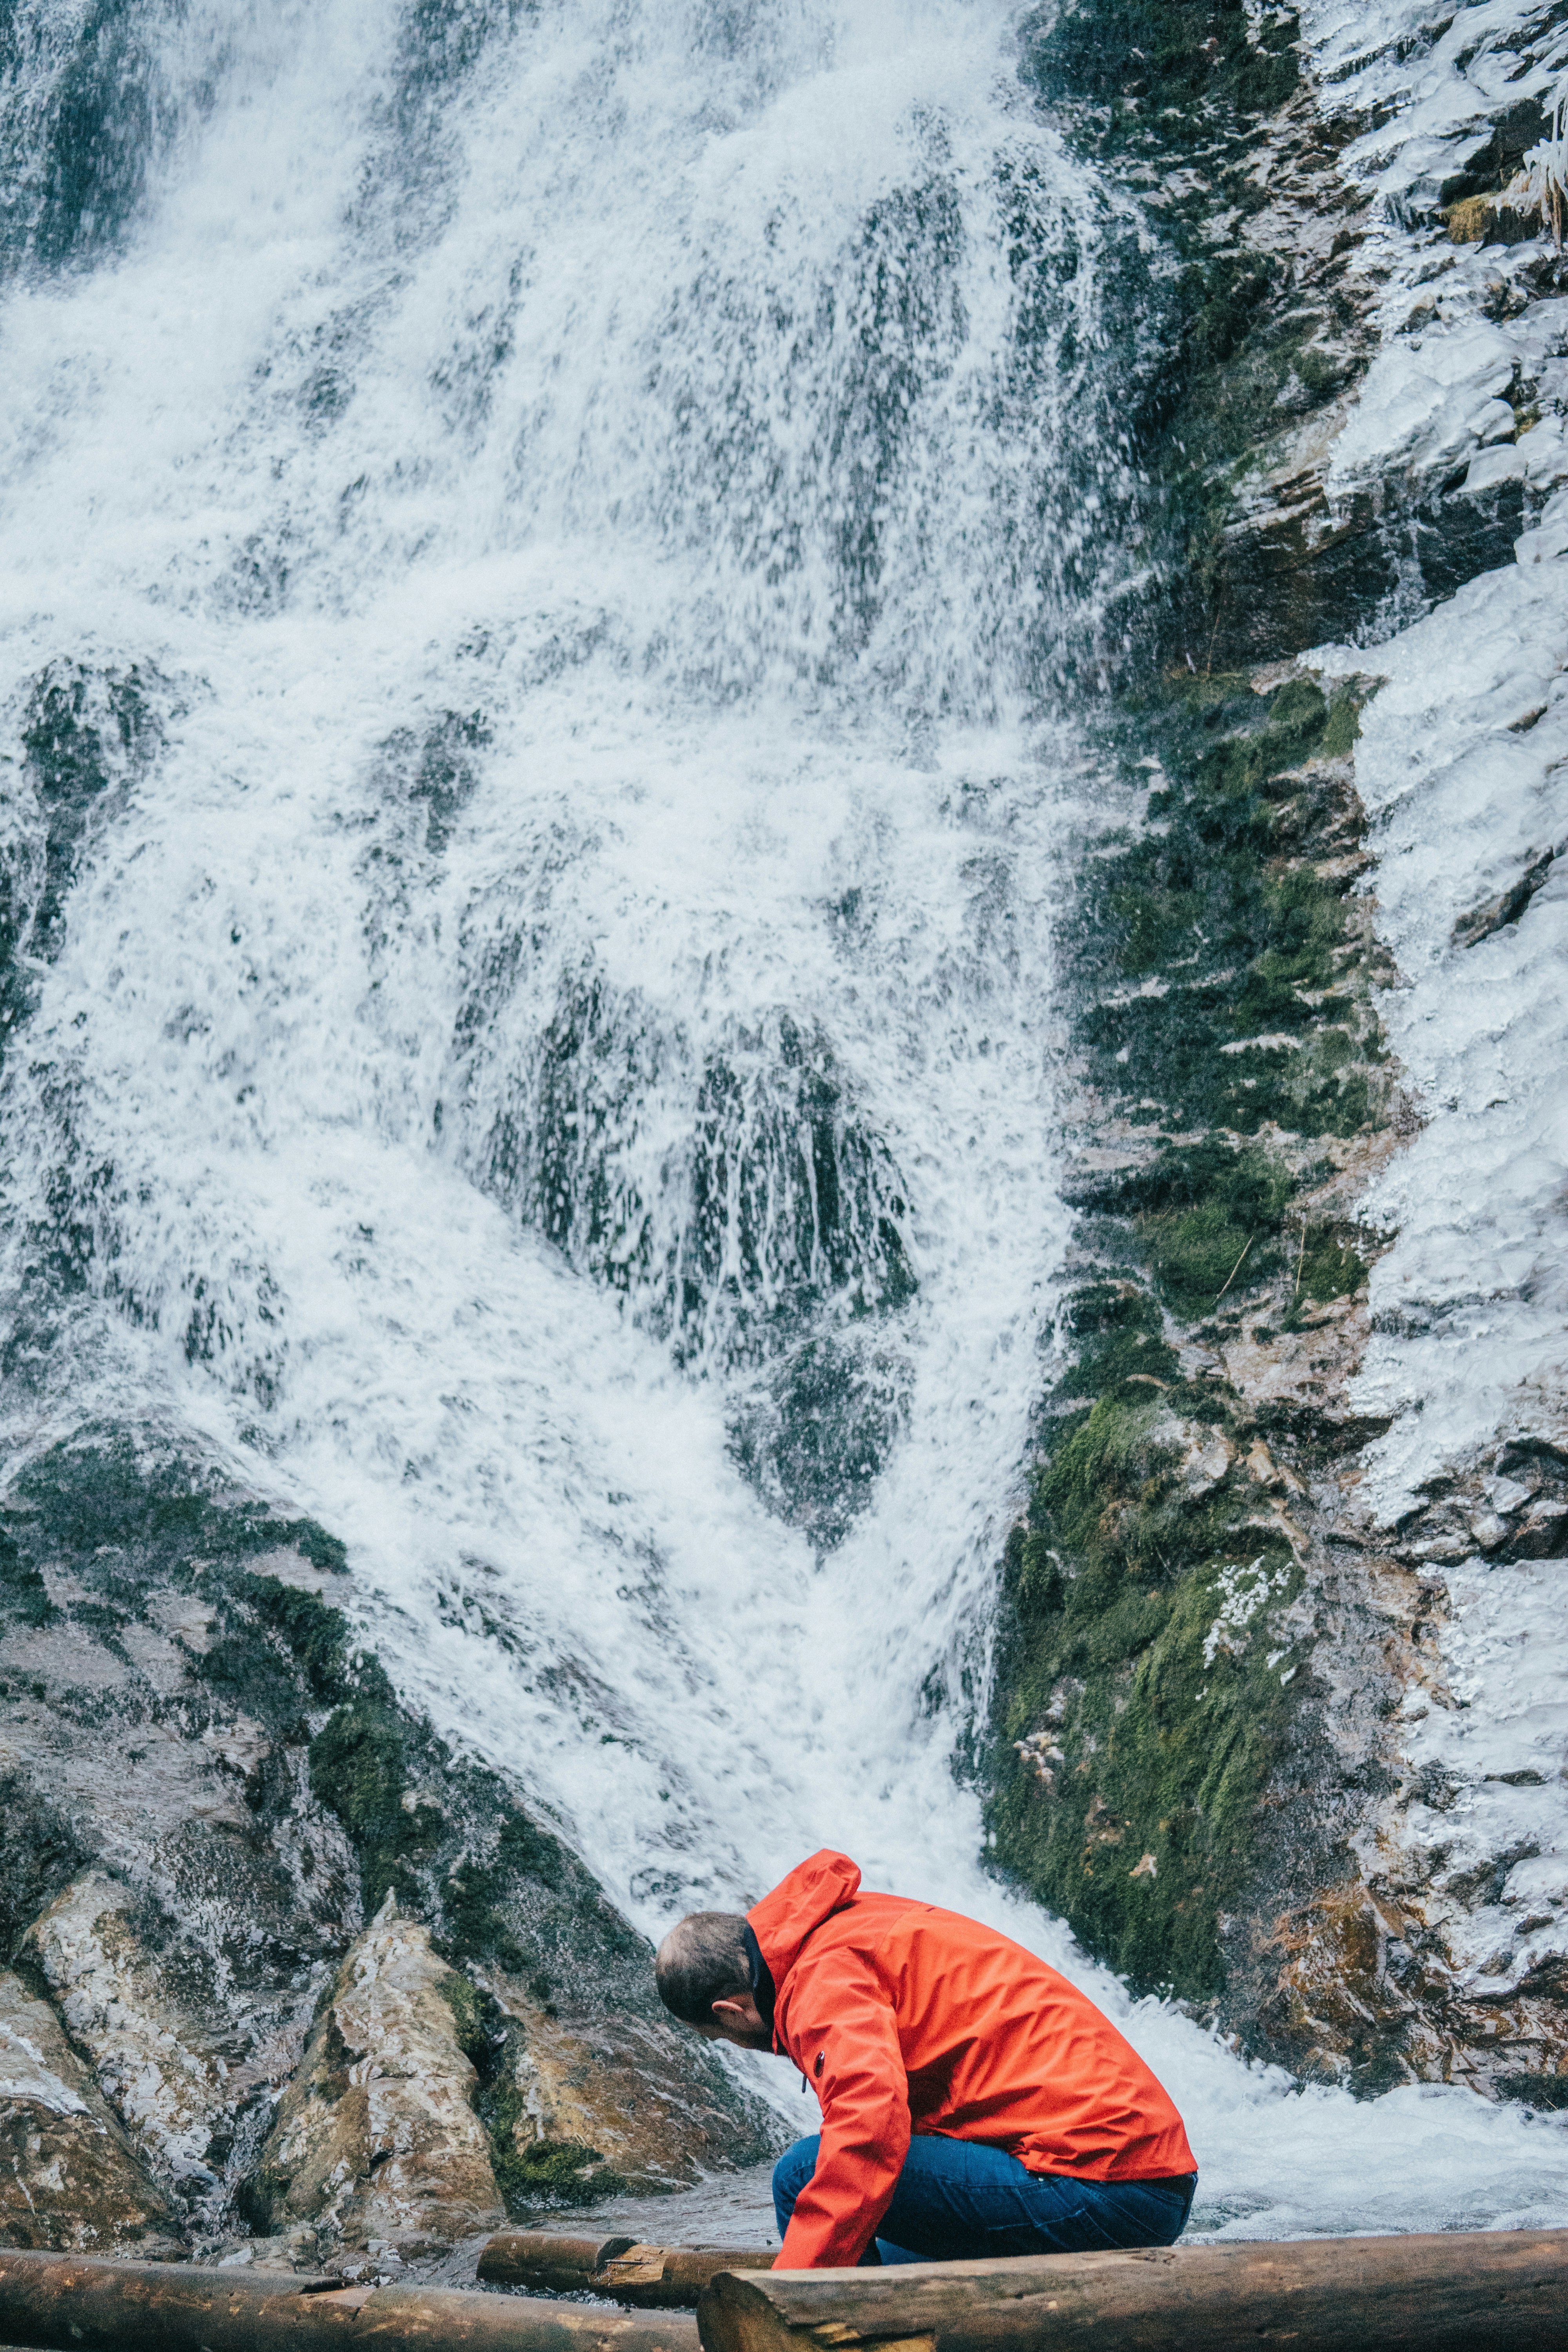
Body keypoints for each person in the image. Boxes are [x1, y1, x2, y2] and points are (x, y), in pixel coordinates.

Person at [655, 1848, 1196, 2270]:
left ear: (730, 2012)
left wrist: (792, 2284)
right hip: (1142, 2173)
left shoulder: (822, 1980)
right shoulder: (843, 1927)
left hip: (1103, 2187)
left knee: (801, 2175)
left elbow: (869, 2127)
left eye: (721, 2037)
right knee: (892, 2257)